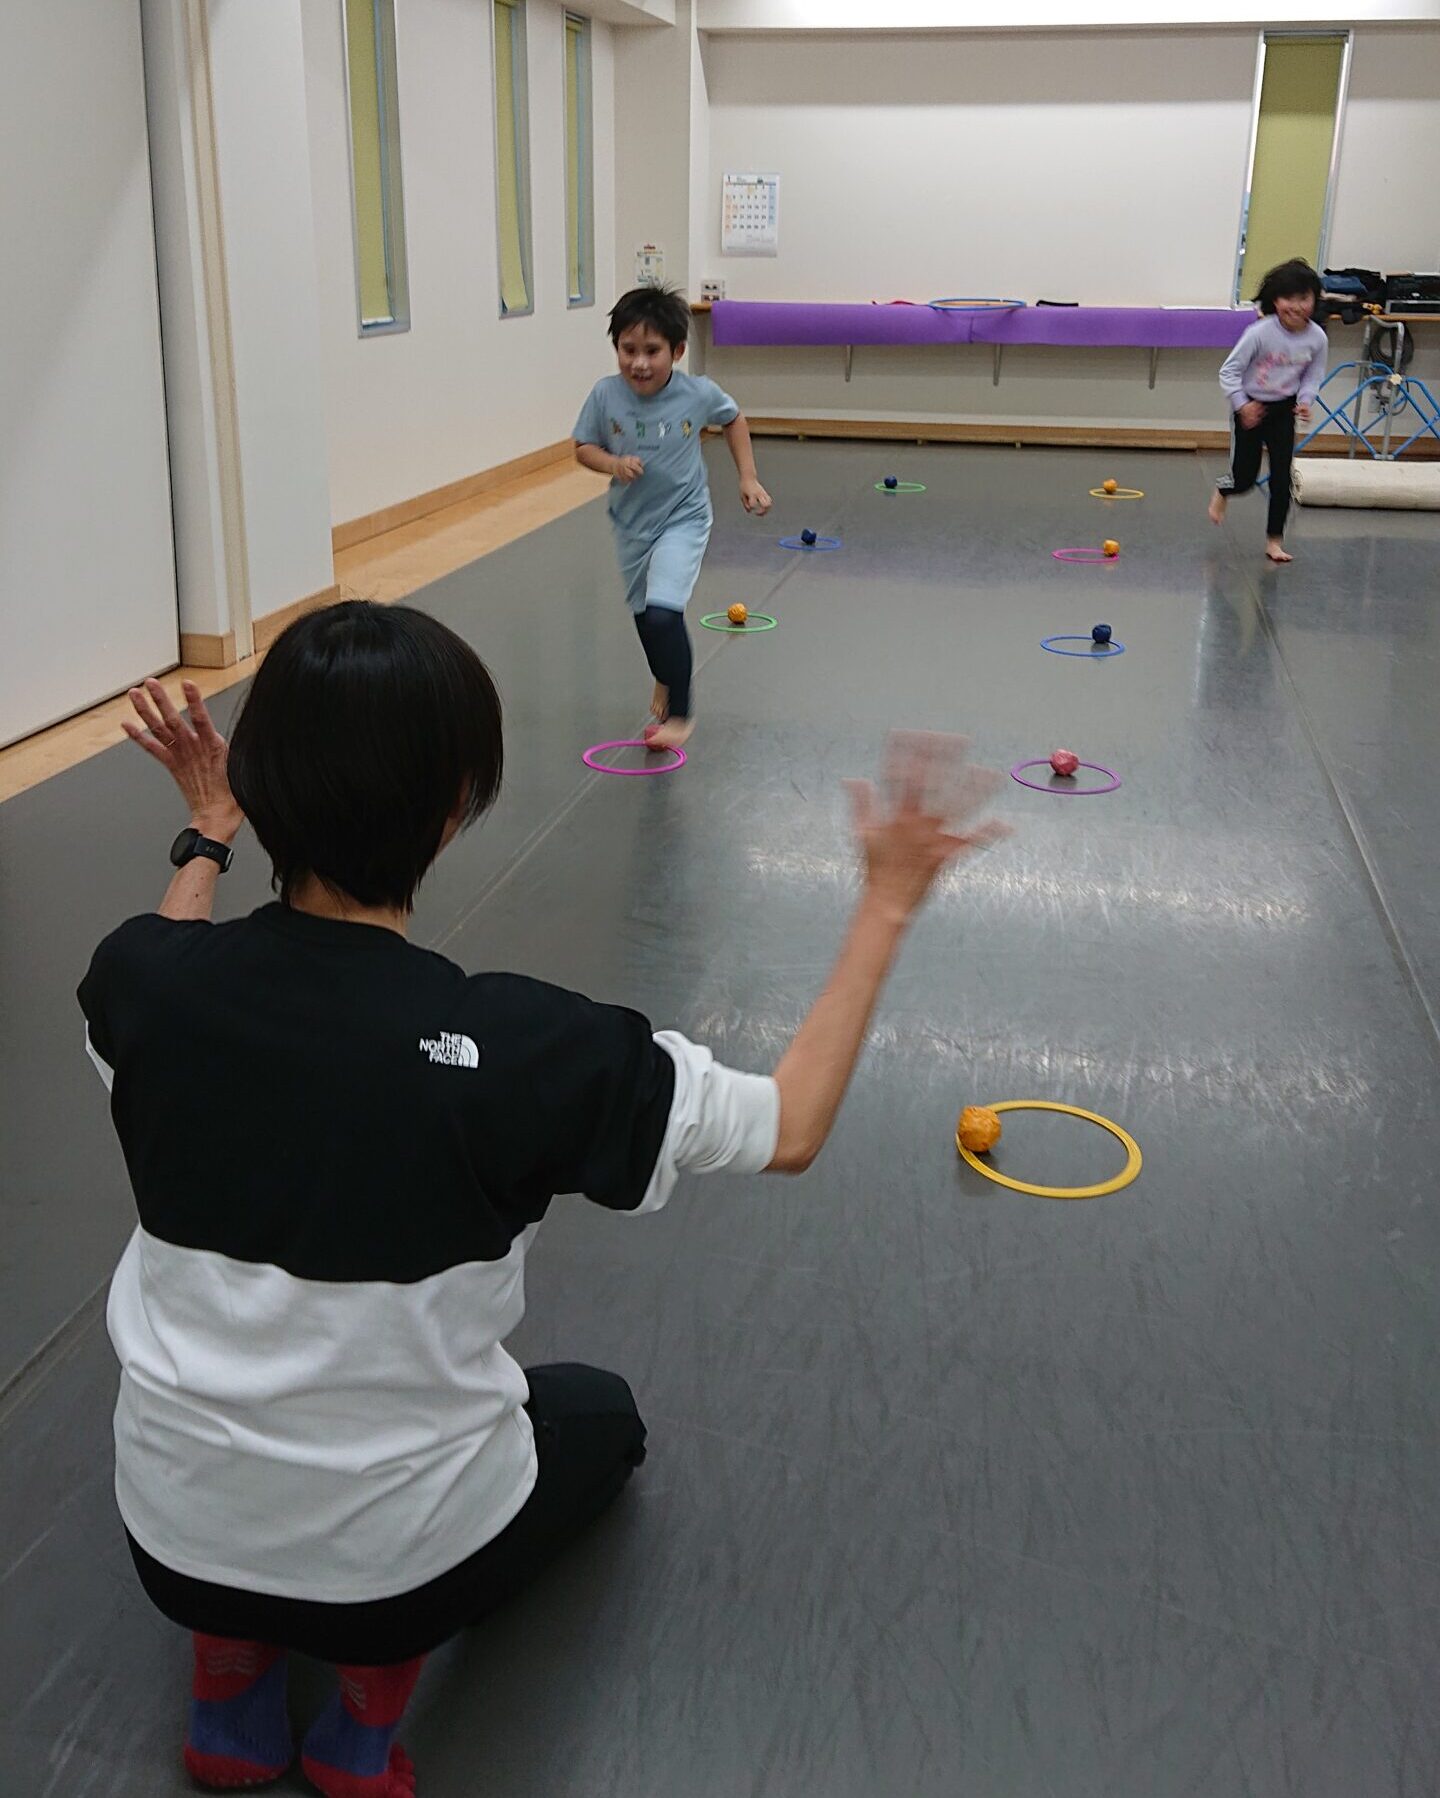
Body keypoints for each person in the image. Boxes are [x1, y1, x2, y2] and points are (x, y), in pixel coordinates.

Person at [78, 601, 1008, 1797]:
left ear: (261, 786)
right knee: (596, 1414)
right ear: (455, 807)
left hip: (173, 1543)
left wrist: (206, 835)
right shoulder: (526, 1050)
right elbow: (791, 1127)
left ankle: (231, 1686)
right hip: (398, 1576)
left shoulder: (141, 990)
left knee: (249, 1528)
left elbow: (166, 964)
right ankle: (364, 1717)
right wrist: (884, 902)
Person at [573, 285, 771, 752]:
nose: (639, 363)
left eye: (652, 351)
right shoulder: (605, 395)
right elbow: (583, 447)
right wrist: (612, 464)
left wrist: (748, 477)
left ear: (678, 351)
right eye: (628, 350)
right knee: (646, 619)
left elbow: (733, 419)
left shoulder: (696, 393)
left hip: (683, 518)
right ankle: (664, 676)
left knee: (664, 614)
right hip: (630, 524)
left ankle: (681, 713)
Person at [1208, 258, 1329, 563]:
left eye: (1304, 298)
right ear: (1275, 300)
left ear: (1314, 300)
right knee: (1244, 479)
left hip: (1283, 411)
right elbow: (1229, 371)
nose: (1296, 306)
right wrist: (1242, 404)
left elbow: (1313, 375)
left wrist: (1306, 400)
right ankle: (1223, 491)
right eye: (1288, 298)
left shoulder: (1317, 338)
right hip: (1251, 408)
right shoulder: (1259, 333)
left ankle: (1274, 540)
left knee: (1281, 480)